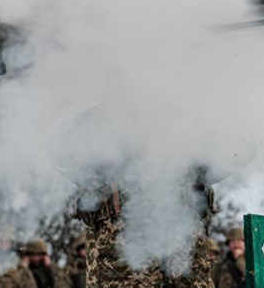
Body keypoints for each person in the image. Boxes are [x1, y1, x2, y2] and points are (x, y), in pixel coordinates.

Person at [51, 106, 215, 288]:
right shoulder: (100, 127)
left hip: (184, 267)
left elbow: (238, 150)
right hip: (123, 270)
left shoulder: (185, 124)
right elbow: (61, 151)